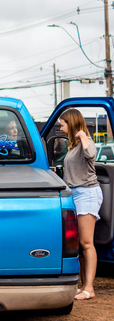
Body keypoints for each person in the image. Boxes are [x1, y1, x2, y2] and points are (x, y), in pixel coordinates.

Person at [59, 108, 102, 301]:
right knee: (77, 244)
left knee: (86, 243)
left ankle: (89, 288)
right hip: (75, 193)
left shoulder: (86, 142)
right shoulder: (72, 146)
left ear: (72, 123)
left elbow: (91, 153)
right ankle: (83, 285)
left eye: (63, 124)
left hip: (87, 193)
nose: (61, 128)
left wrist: (83, 135)